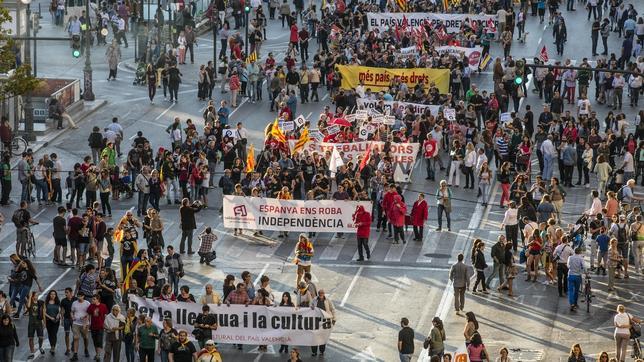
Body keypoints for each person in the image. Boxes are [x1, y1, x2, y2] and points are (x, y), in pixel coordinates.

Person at [70, 292, 90, 361]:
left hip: (85, 324)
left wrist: (85, 322)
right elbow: (72, 311)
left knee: (86, 338)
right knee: (76, 338)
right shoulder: (74, 303)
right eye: (78, 296)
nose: (79, 297)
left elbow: (89, 313)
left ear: (83, 296)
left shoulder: (87, 303)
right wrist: (72, 317)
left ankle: (86, 349)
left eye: (80, 296)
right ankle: (75, 354)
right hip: (76, 323)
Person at [87, 294, 108, 360]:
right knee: (95, 341)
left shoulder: (103, 306)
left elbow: (105, 315)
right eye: (92, 299)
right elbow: (89, 315)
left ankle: (98, 354)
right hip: (93, 326)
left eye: (94, 299)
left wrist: (106, 324)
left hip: (100, 326)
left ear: (98, 300)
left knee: (99, 340)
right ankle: (97, 354)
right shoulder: (91, 306)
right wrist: (88, 324)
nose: (92, 300)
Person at [26, 291, 45, 359]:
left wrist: (43, 321)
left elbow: (43, 312)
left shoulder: (40, 303)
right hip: (31, 323)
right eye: (35, 295)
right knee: (31, 338)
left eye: (37, 295)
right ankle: (32, 352)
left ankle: (40, 347)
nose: (37, 297)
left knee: (41, 337)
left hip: (39, 322)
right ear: (33, 296)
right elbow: (28, 306)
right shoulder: (30, 303)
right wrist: (30, 296)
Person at [567, 247, 586, 312]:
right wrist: (586, 273)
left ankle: (571, 303)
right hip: (578, 275)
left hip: (571, 274)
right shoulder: (581, 258)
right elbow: (584, 267)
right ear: (580, 252)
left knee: (570, 290)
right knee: (576, 290)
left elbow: (568, 265)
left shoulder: (570, 257)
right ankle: (575, 302)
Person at [44, 290, 62, 356]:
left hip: (56, 320)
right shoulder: (46, 302)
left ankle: (53, 347)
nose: (53, 295)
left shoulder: (57, 302)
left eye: (54, 294)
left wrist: (58, 315)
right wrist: (50, 317)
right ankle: (52, 345)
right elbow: (44, 312)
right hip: (49, 320)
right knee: (50, 334)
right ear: (49, 295)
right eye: (51, 294)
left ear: (56, 295)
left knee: (54, 333)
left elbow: (60, 310)